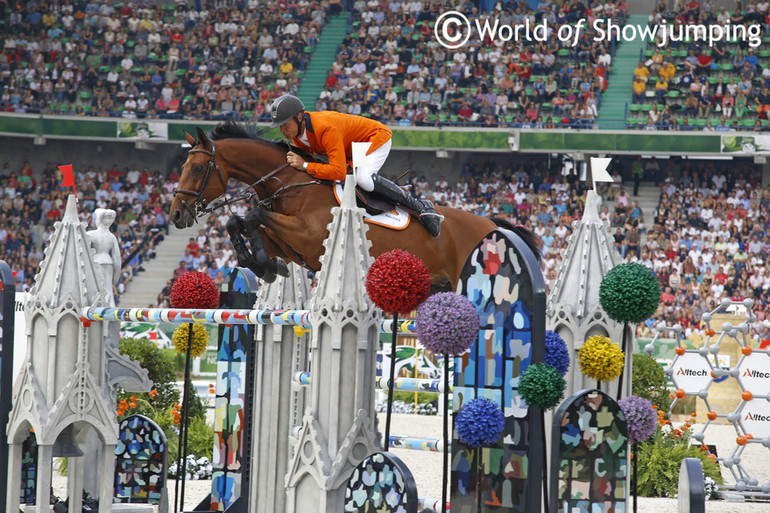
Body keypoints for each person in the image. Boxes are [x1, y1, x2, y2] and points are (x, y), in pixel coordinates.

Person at [269, 94, 442, 237]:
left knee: (363, 179)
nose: (283, 130)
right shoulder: (297, 135)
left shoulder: (324, 127)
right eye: (280, 127)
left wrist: (305, 166)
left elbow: (337, 171)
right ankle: (388, 194)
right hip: (353, 149)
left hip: (373, 138)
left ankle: (420, 206)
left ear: (300, 117)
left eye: (285, 124)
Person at [87, 208, 121, 306]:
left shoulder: (90, 234)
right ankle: (110, 307)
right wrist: (116, 276)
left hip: (95, 262)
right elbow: (117, 259)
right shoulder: (111, 237)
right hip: (108, 262)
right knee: (107, 289)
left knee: (94, 289)